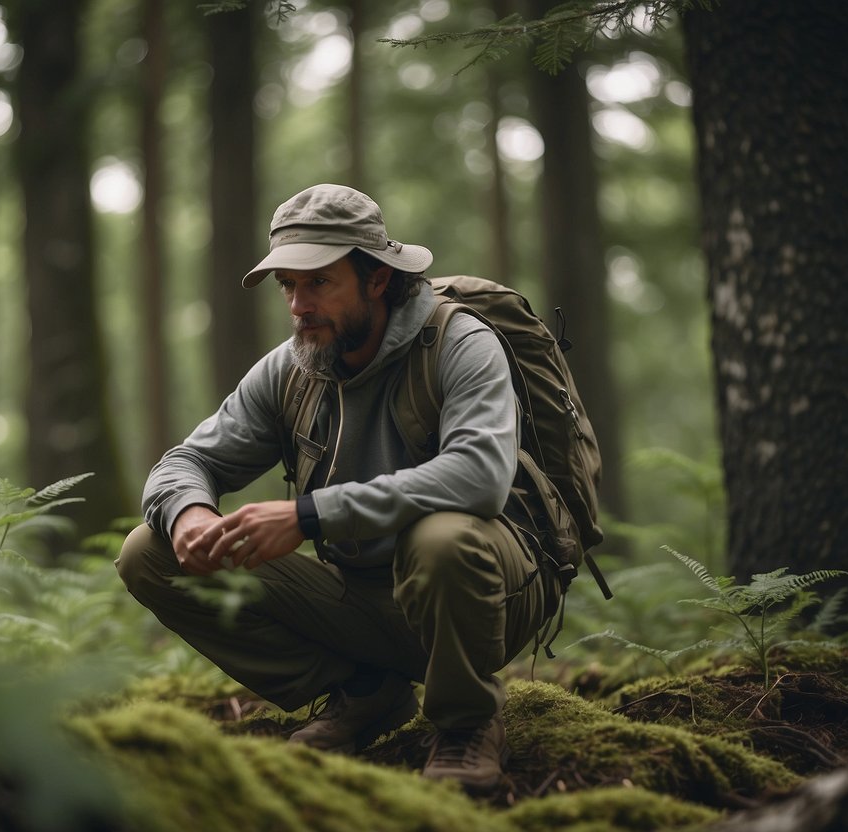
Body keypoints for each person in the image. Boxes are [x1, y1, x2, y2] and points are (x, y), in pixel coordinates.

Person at [116, 183, 558, 795]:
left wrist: (309, 514)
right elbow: (187, 459)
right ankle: (366, 694)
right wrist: (190, 511)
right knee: (150, 550)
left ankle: (467, 723)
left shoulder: (459, 344)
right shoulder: (292, 367)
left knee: (441, 539)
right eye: (287, 287)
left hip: (486, 593)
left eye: (318, 282)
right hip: (360, 597)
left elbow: (480, 477)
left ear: (376, 279)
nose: (298, 305)